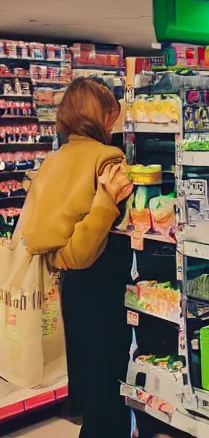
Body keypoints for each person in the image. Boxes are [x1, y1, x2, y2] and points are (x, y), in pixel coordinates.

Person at [19, 77, 134, 438]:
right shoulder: (109, 158)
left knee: (85, 368)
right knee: (110, 378)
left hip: (70, 285)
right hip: (104, 282)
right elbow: (86, 249)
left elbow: (41, 236)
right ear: (102, 116)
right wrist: (106, 202)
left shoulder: (53, 161)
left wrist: (62, 256)